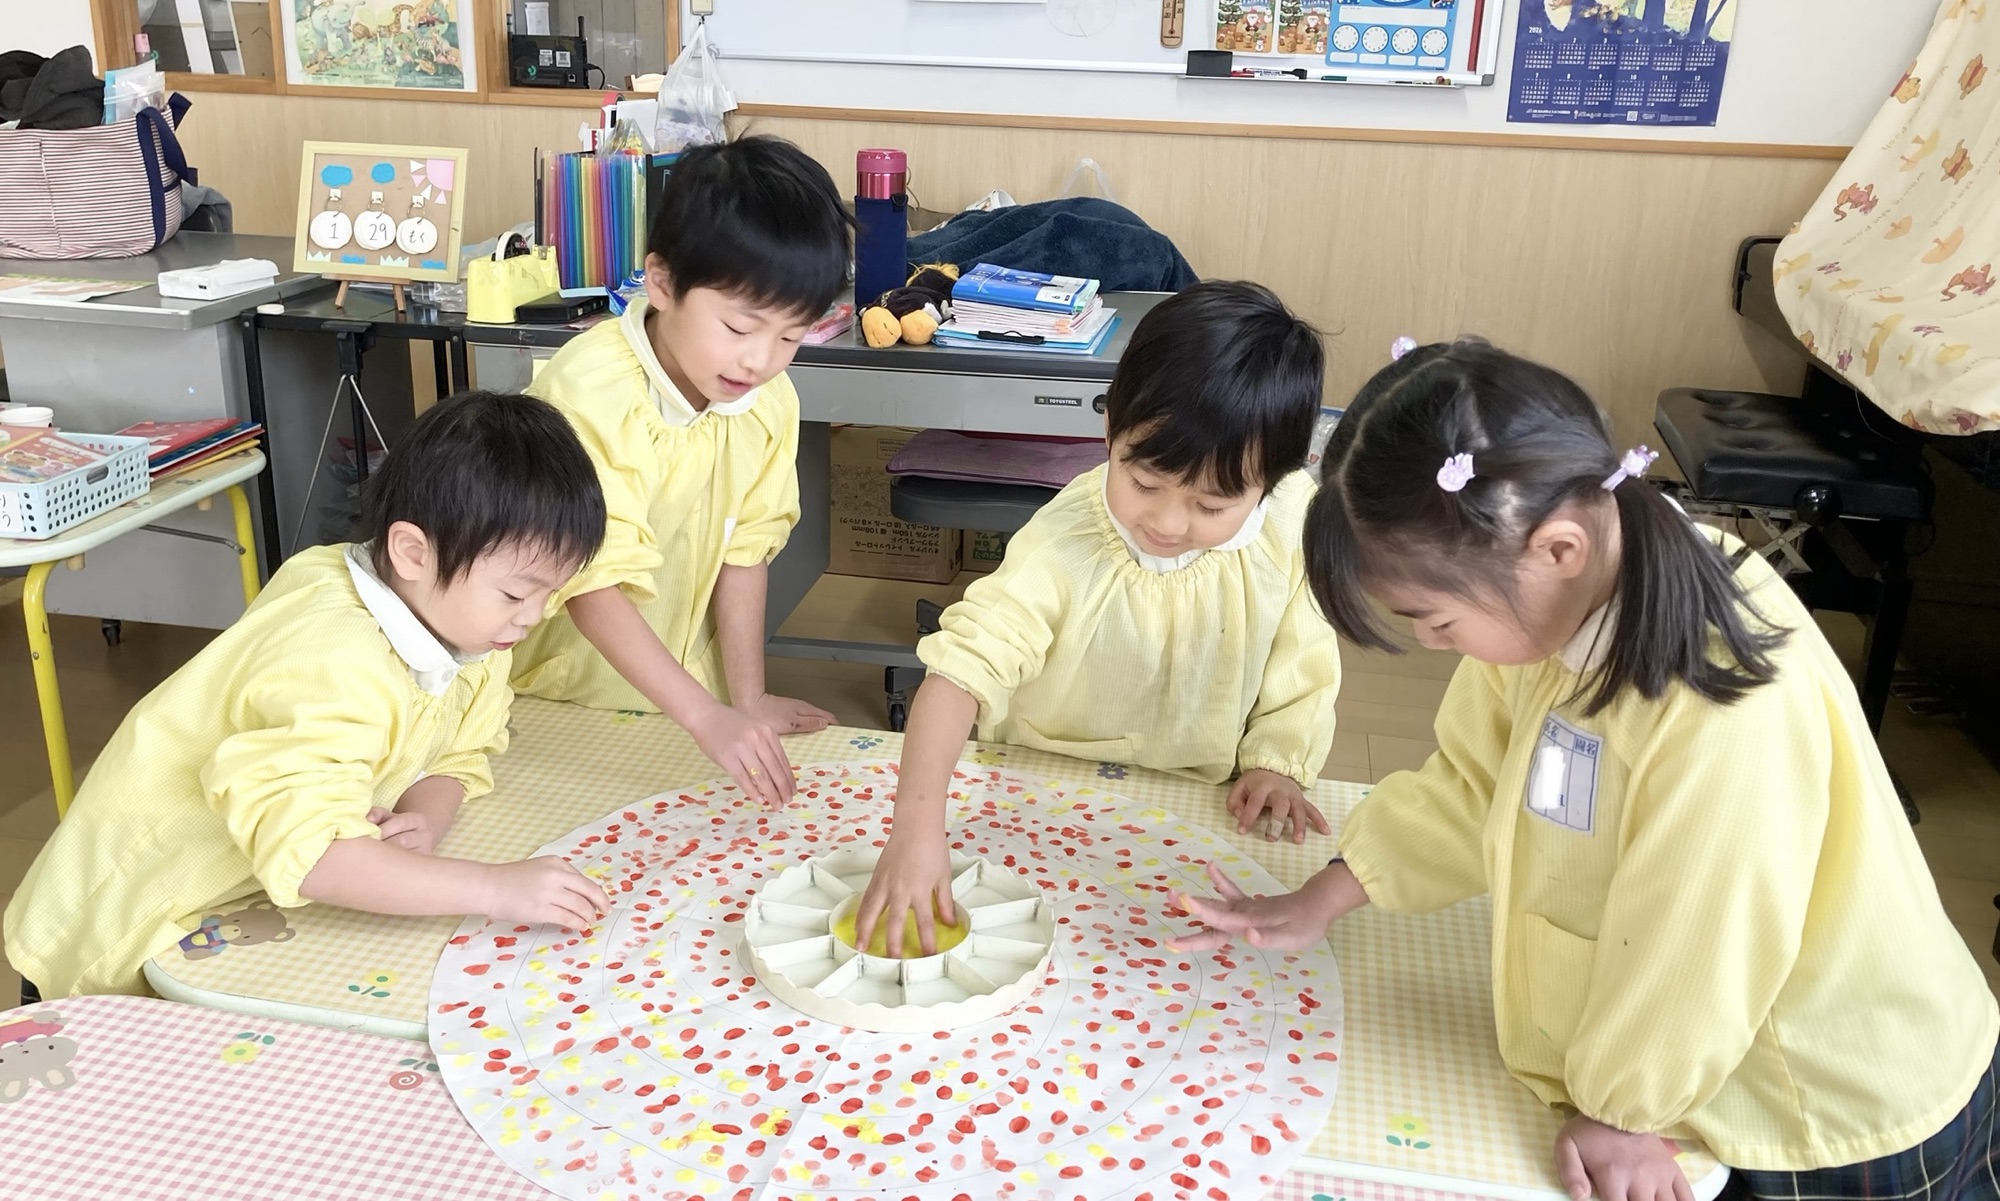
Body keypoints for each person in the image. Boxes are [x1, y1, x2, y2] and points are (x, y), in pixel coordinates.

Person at [1171, 339, 2000, 1201]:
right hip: (1712, 1061)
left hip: (1823, 1098)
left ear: (1557, 548)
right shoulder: (1561, 602)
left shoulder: (1717, 704)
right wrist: (1333, 888)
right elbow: (1474, 782)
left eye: (1438, 620)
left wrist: (1621, 1110)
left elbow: (1699, 943)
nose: (1431, 642)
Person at [4, 391, 612, 998]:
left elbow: (459, 753)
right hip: (118, 932)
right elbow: (316, 854)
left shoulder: (467, 628)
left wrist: (422, 822)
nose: (533, 617)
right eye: (516, 594)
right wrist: (492, 887)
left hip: (234, 905)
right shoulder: (335, 657)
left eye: (550, 594)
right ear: (412, 552)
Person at [856, 281, 1343, 956]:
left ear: (1276, 478)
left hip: (1191, 800)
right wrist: (915, 828)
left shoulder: (1292, 524)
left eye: (1210, 506)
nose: (1167, 522)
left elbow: (1304, 659)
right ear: (1110, 429)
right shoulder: (1065, 539)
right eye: (1144, 483)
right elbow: (963, 668)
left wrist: (1277, 763)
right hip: (1038, 787)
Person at [509, 135, 852, 808]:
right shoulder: (592, 392)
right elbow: (590, 583)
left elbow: (744, 554)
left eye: (789, 337)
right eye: (740, 328)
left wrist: (745, 700)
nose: (760, 360)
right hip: (552, 690)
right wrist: (704, 715)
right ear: (663, 283)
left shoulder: (767, 403)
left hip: (673, 695)